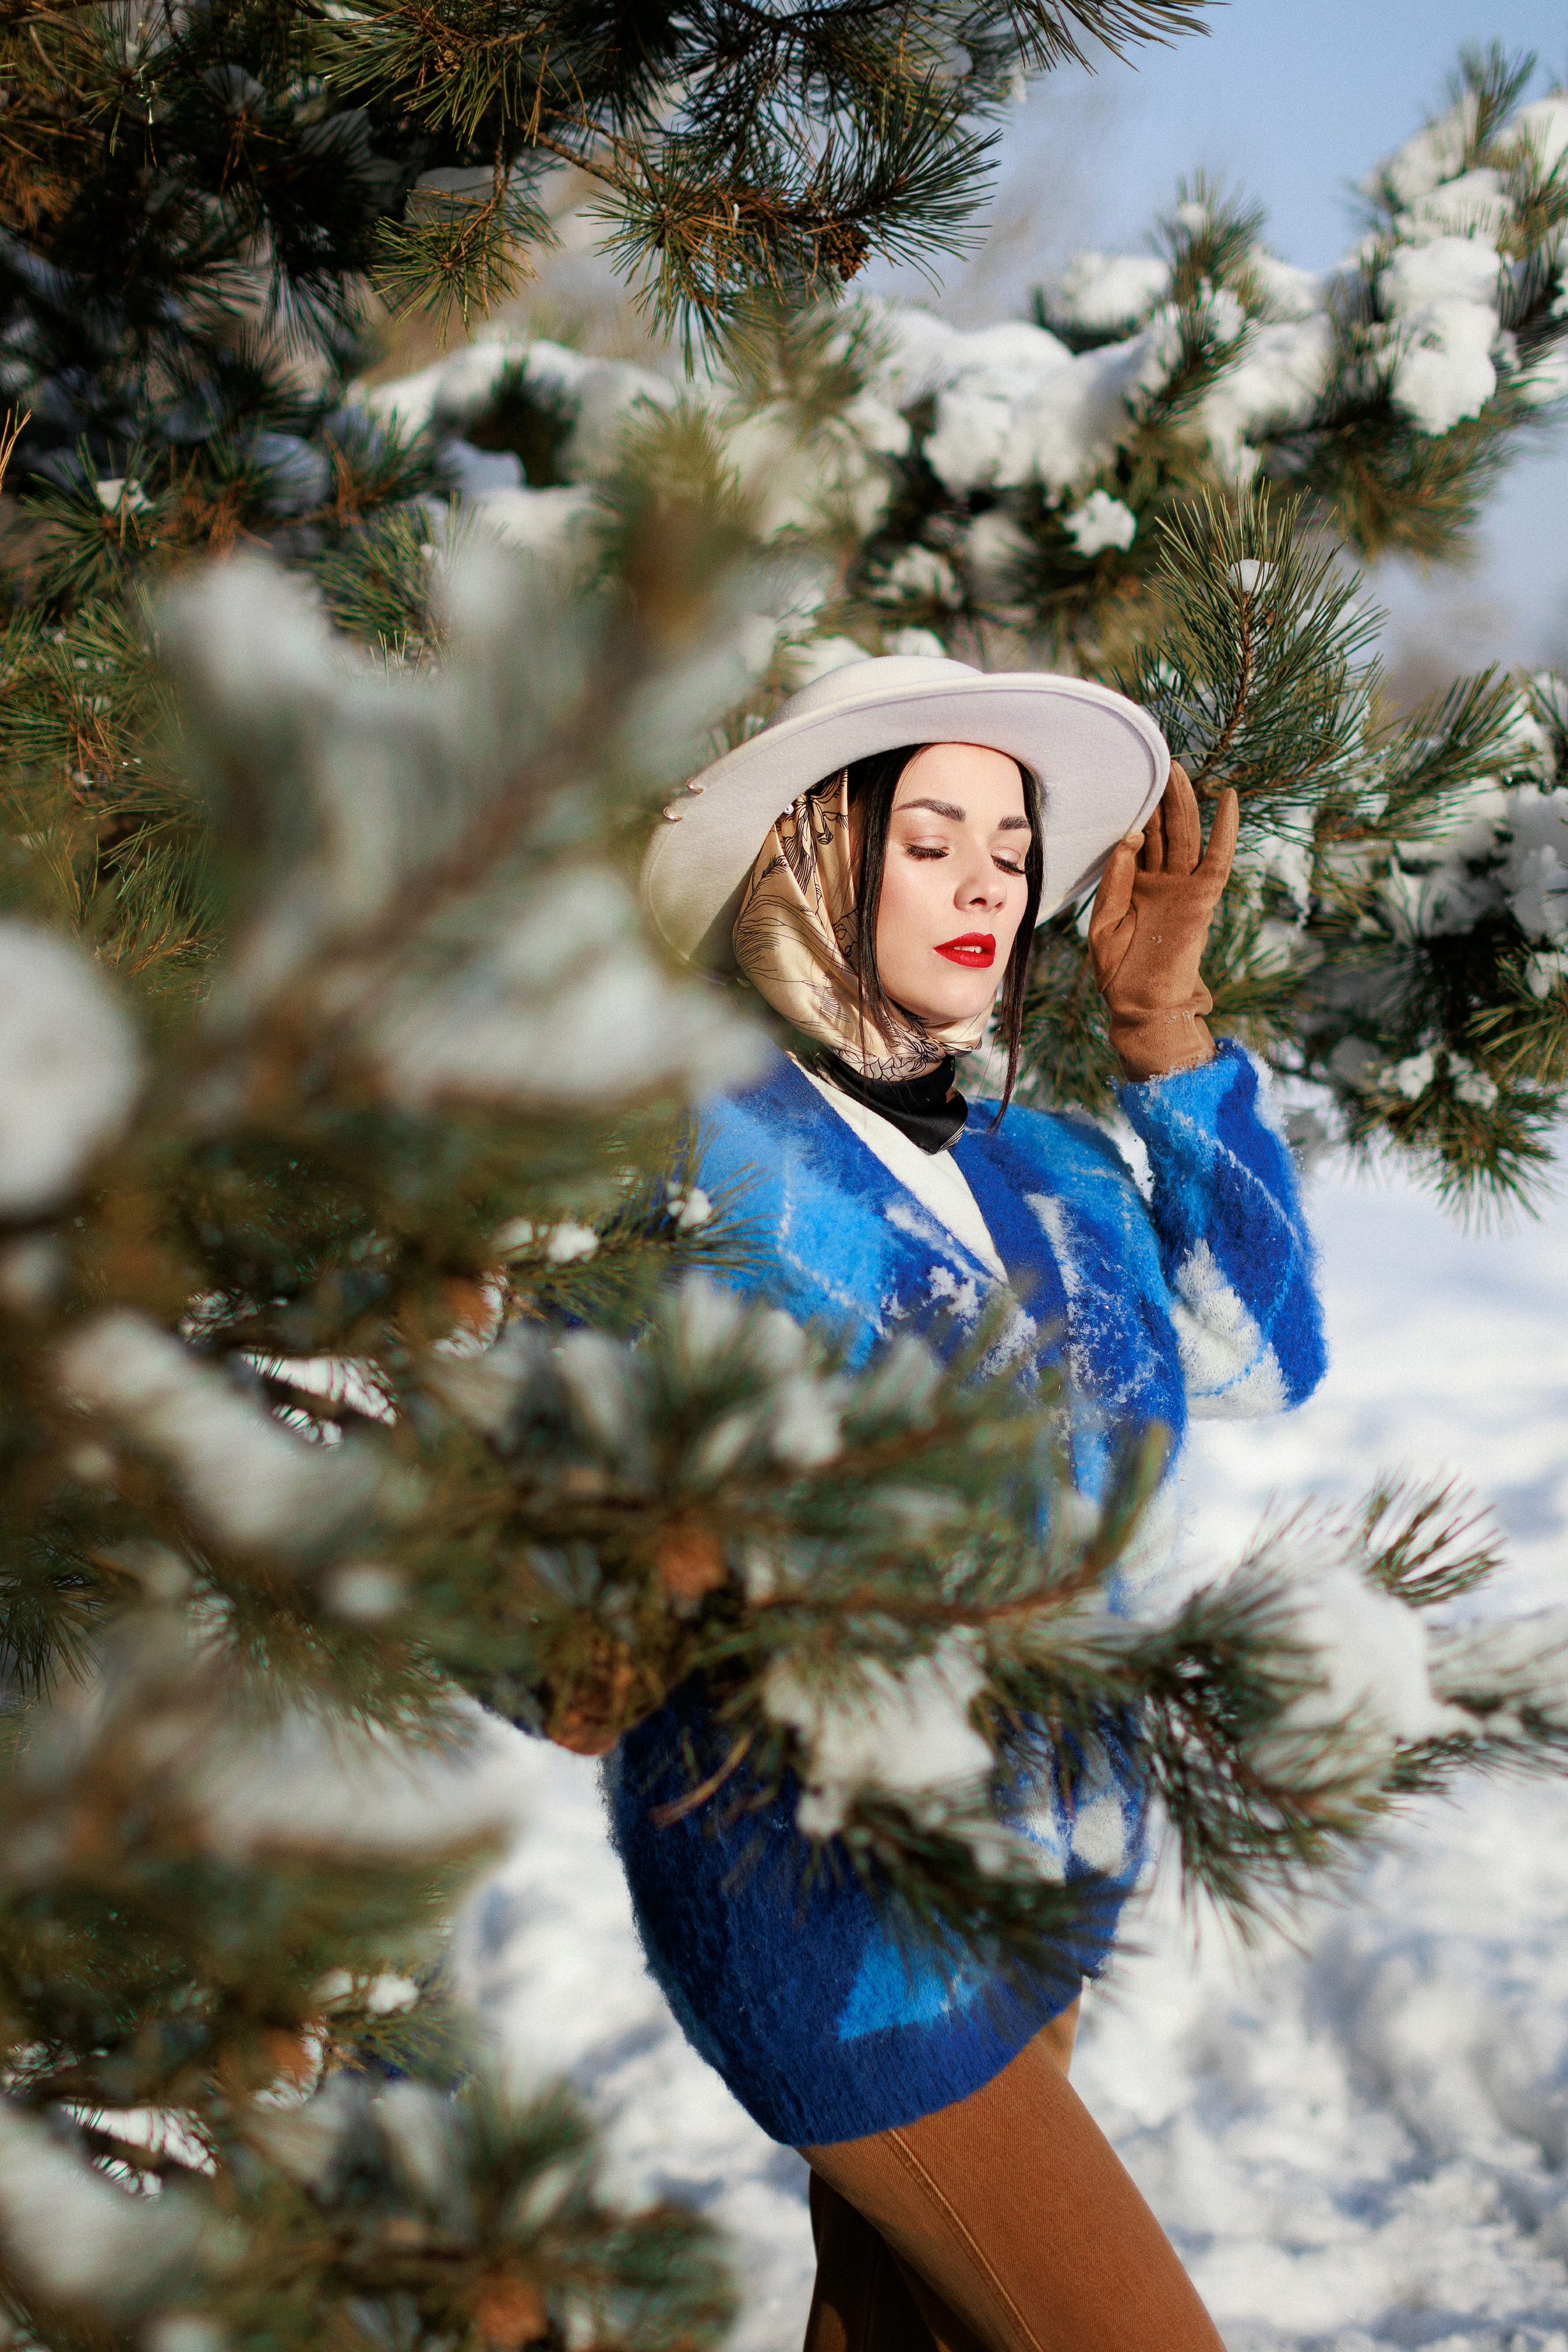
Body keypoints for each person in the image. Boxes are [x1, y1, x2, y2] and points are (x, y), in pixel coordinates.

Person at [611, 654, 1326, 2351]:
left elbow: (1261, 1350)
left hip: (1048, 1882)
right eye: (929, 835)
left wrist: (1166, 1030)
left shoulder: (1053, 1165)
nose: (990, 879)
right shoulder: (685, 1161)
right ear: (807, 858)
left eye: (1010, 845)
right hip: (832, 1916)